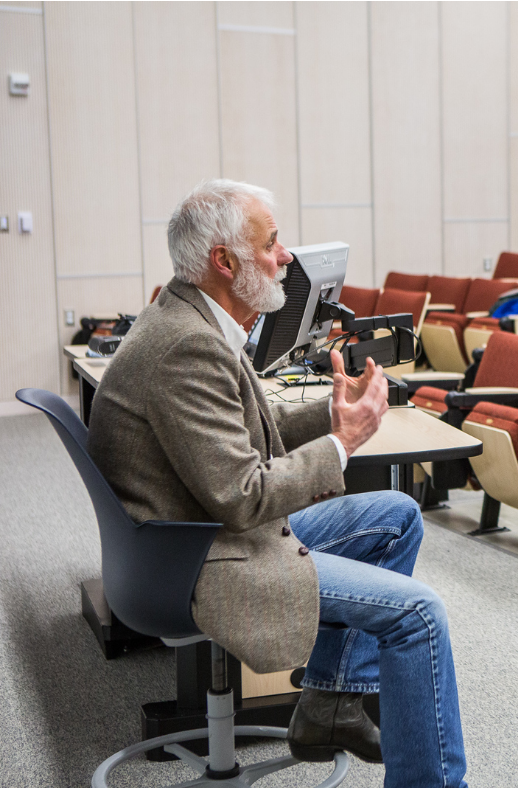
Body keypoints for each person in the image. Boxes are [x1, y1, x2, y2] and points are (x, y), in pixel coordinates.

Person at [87, 180, 468, 788]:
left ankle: (329, 705)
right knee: (419, 616)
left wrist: (329, 417)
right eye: (271, 243)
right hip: (199, 559)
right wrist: (342, 446)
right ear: (225, 261)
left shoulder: (193, 316)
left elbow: (243, 438)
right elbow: (245, 496)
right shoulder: (188, 346)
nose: (287, 255)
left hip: (183, 533)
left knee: (397, 515)